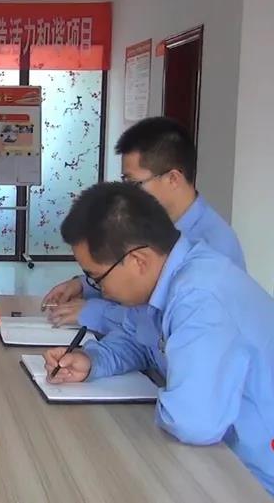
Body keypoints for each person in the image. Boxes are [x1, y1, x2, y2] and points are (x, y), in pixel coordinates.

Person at [43, 182, 273, 495]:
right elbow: (141, 340)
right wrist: (92, 360)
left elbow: (192, 421)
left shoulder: (199, 295)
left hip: (254, 477)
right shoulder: (172, 275)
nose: (99, 290)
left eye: (96, 277)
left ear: (138, 261)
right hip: (217, 458)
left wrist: (165, 398)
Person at [43, 117, 245, 333]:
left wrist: (95, 312)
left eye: (134, 183)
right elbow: (135, 274)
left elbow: (156, 323)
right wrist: (85, 285)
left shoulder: (214, 246)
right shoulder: (155, 224)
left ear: (173, 179)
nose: (127, 192)